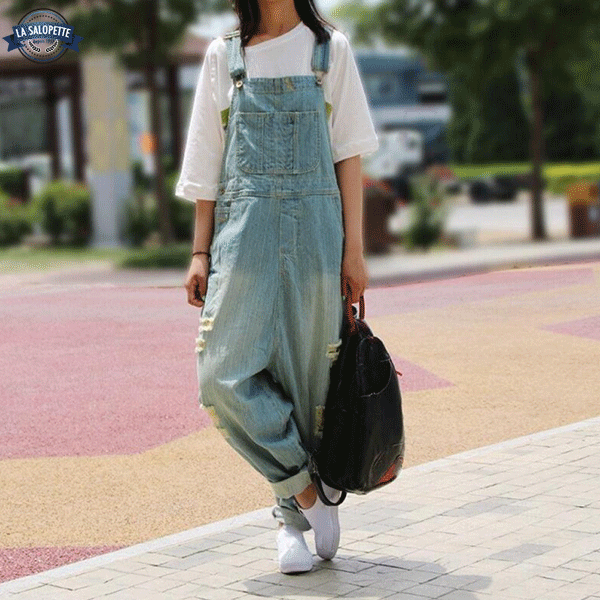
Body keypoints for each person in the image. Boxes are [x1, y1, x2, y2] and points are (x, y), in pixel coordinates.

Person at [177, 0, 379, 575]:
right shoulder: (225, 56)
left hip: (317, 233)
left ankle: (291, 525)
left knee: (308, 377)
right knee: (221, 375)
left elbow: (348, 154)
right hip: (242, 235)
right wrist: (199, 252)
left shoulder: (330, 51)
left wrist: (355, 250)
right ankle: (309, 494)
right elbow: (207, 162)